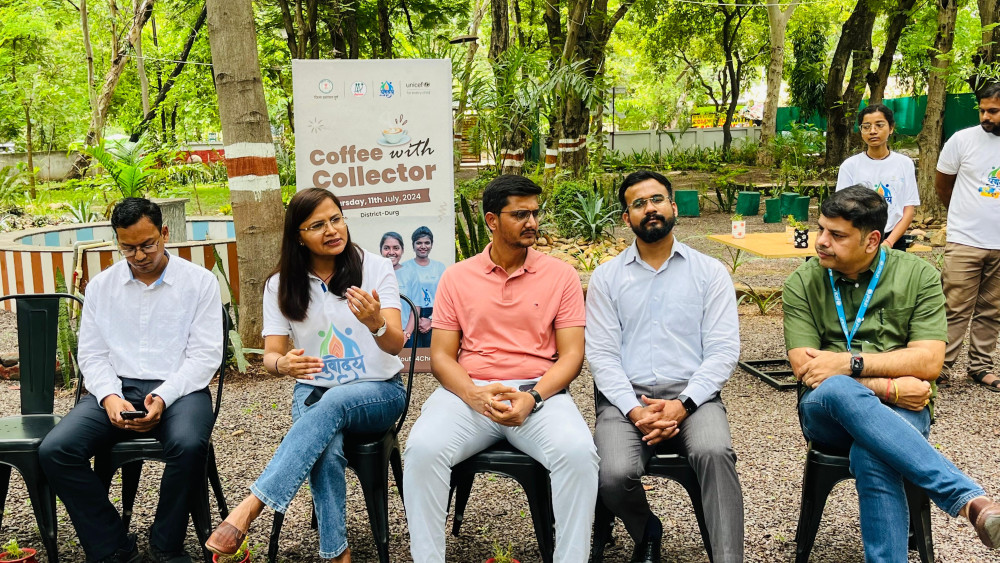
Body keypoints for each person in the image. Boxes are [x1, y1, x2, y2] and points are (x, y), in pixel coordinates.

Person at [782, 186, 1000, 562]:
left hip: (906, 407)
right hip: (829, 409)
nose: (821, 241)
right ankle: (968, 500)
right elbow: (808, 369)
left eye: (836, 235)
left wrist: (848, 364)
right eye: (821, 229)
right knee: (836, 389)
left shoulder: (918, 275)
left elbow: (929, 362)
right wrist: (890, 386)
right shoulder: (802, 282)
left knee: (873, 453)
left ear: (872, 240)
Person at [403, 175, 599, 563]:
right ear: (492, 220)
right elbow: (441, 356)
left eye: (535, 213)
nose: (532, 222)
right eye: (520, 214)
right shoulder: (457, 277)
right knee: (422, 450)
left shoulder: (560, 276)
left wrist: (533, 397)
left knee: (579, 454)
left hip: (538, 394)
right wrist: (473, 395)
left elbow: (572, 356)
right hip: (469, 394)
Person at [205, 189, 406, 562]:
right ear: (298, 236)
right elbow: (271, 356)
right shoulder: (280, 284)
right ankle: (336, 554)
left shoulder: (376, 267)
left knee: (335, 401)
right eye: (317, 225)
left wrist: (376, 322)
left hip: (379, 392)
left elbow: (395, 346)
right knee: (325, 447)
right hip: (314, 392)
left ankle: (250, 506)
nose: (332, 230)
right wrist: (283, 365)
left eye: (336, 219)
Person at [39, 198, 223, 563]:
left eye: (147, 245)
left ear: (164, 233)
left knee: (189, 445)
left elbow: (205, 356)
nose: (139, 255)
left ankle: (166, 545)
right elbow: (92, 355)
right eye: (128, 247)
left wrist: (164, 396)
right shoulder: (101, 287)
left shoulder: (199, 282)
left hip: (181, 389)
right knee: (56, 450)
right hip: (118, 386)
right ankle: (113, 547)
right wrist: (109, 396)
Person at [587, 170, 744, 563]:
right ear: (626, 218)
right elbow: (602, 355)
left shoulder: (709, 272)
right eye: (638, 204)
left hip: (694, 398)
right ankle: (646, 529)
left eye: (657, 199)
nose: (650, 208)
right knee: (612, 474)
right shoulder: (607, 278)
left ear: (673, 206)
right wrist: (635, 410)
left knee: (715, 453)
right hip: (626, 402)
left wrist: (682, 405)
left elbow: (723, 351)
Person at [934, 82, 1000, 390]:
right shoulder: (962, 141)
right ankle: (940, 366)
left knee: (992, 310)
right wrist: (963, 217)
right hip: (965, 240)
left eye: (993, 111)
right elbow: (943, 186)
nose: (985, 117)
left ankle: (980, 367)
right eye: (982, 110)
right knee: (954, 306)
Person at [836, 103, 920, 251]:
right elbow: (842, 207)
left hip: (894, 239)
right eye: (866, 126)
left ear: (891, 128)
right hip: (859, 239)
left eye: (879, 125)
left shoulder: (904, 164)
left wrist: (889, 242)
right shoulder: (850, 166)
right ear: (861, 131)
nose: (873, 131)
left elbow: (908, 210)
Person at [402, 226, 446, 347]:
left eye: (427, 243)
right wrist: (414, 321)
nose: (423, 246)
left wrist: (431, 320)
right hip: (409, 318)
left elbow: (445, 298)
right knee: (409, 355)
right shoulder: (404, 267)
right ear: (413, 245)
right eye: (419, 243)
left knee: (430, 355)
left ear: (431, 245)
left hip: (433, 317)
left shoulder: (440, 267)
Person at [380, 231, 418, 342]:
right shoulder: (374, 273)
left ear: (402, 250)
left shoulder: (411, 274)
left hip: (405, 334)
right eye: (386, 248)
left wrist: (406, 334)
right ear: (381, 250)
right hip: (380, 334)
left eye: (396, 248)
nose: (391, 252)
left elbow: (416, 308)